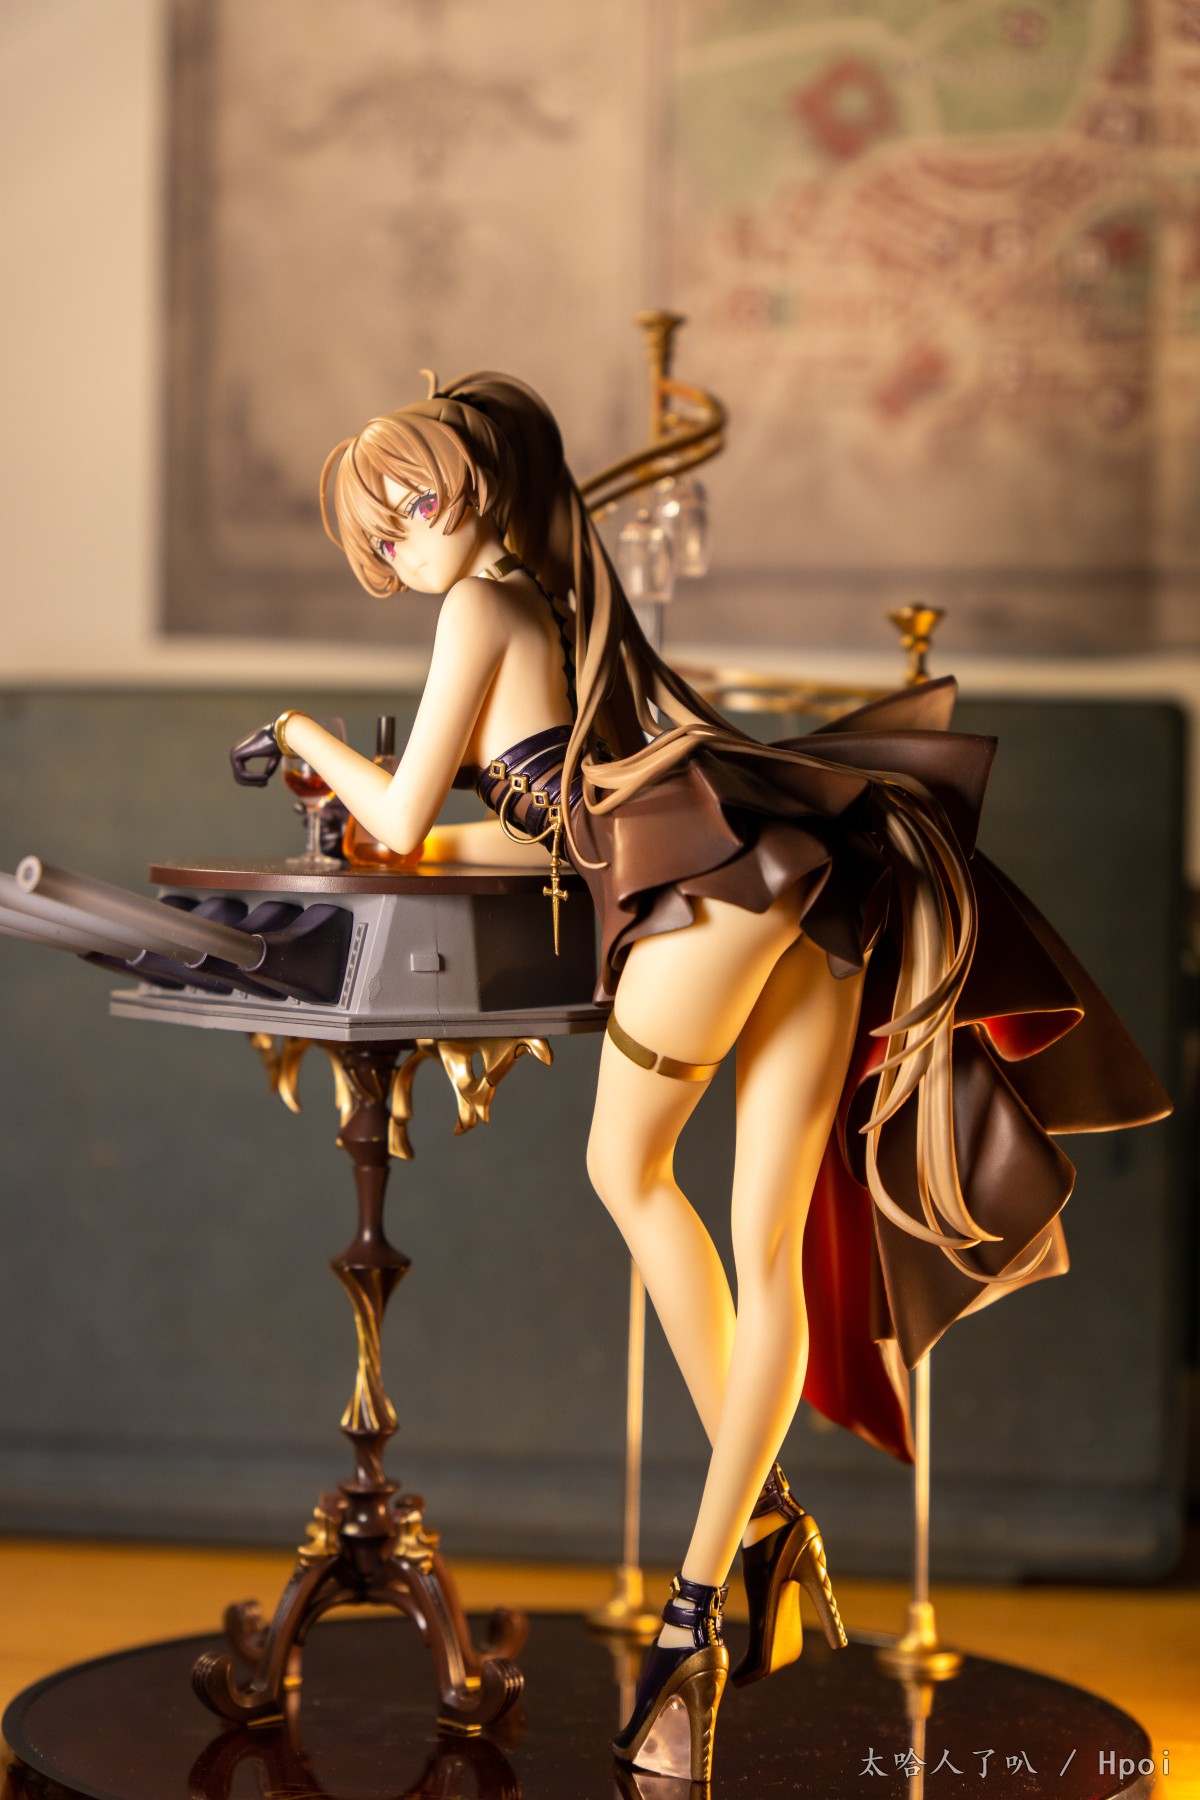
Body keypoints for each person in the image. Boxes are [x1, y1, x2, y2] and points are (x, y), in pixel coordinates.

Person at [231, 370, 1171, 1784]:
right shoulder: (542, 604)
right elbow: (551, 827)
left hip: (710, 893)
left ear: (476, 486)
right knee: (761, 1248)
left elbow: (410, 817)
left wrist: (298, 738)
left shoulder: (479, 605)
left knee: (627, 1171)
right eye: (381, 523)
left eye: (409, 504)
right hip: (789, 881)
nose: (398, 540)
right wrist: (400, 825)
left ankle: (700, 1617)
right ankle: (753, 1542)